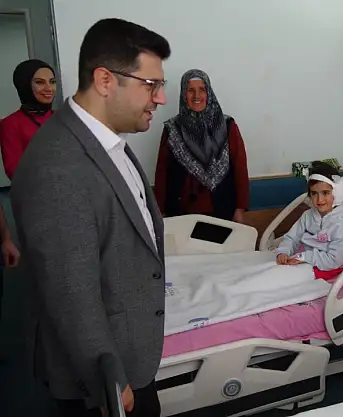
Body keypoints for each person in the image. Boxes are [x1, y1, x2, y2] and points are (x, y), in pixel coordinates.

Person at [10, 18, 170, 417]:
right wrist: (106, 382)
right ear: (105, 80)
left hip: (130, 357)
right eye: (151, 84)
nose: (161, 98)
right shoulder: (58, 165)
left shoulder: (110, 144)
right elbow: (69, 291)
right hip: (104, 379)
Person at [154, 69, 250, 223]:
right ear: (183, 94)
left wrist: (240, 209)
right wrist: (160, 211)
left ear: (209, 93)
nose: (196, 96)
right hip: (181, 215)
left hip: (222, 211)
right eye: (190, 90)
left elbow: (240, 168)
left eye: (202, 90)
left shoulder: (227, 126)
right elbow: (162, 173)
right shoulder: (172, 129)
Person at [275, 162, 343, 280]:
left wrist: (304, 257)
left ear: (337, 193)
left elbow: (336, 260)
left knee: (277, 278)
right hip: (306, 262)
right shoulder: (307, 216)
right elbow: (292, 238)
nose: (319, 199)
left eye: (325, 193)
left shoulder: (341, 224)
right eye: (314, 193)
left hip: (328, 269)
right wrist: (283, 252)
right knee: (272, 270)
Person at [0, 59, 57, 180]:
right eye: (40, 82)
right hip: (36, 189)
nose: (49, 88)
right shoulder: (11, 124)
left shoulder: (63, 117)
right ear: (25, 86)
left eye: (52, 82)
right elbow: (14, 171)